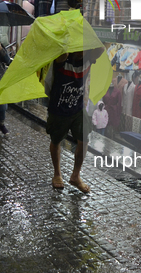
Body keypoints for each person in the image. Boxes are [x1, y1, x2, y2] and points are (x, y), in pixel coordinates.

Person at [45, 48, 104, 193]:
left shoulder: (89, 58)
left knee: (84, 140)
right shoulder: (63, 57)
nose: (81, 50)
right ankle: (57, 174)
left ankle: (75, 176)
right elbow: (62, 55)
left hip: (78, 108)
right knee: (56, 140)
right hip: (58, 109)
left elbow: (100, 49)